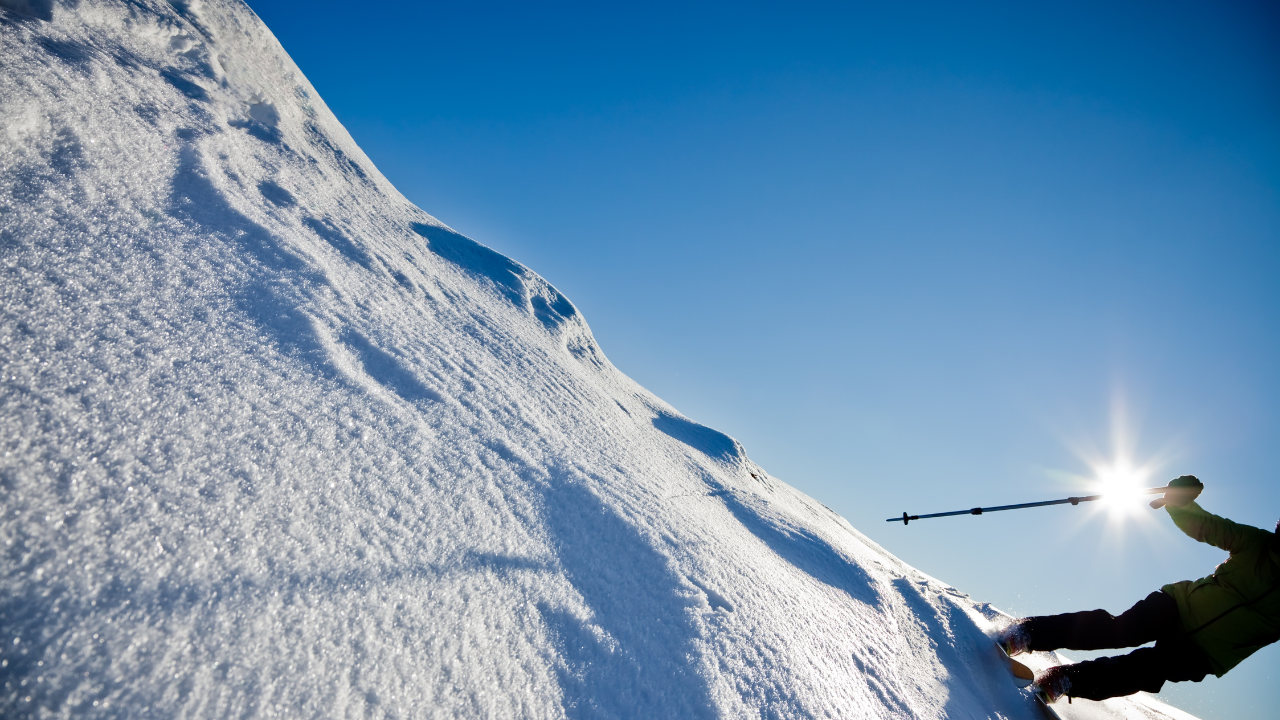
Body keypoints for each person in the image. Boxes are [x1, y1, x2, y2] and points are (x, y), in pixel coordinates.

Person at [997, 475, 1280, 704]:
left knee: (1145, 671)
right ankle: (1029, 633)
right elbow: (1208, 527)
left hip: (1206, 652)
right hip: (1179, 606)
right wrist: (1180, 503)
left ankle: (1067, 679)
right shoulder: (1258, 544)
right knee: (1121, 630)